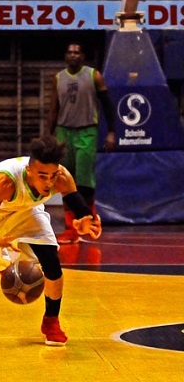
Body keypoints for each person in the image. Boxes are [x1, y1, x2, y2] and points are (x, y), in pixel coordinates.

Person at [0, 136, 102, 346]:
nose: (49, 183)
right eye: (43, 176)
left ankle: (51, 322)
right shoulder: (6, 182)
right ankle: (2, 266)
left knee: (52, 264)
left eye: (52, 176)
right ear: (29, 172)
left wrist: (84, 221)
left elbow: (79, 206)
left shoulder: (62, 177)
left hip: (26, 210)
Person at [46, 42, 116, 244]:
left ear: (83, 56)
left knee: (84, 183)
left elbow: (108, 106)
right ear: (65, 56)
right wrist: (48, 135)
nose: (73, 55)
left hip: (86, 131)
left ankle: (91, 222)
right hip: (63, 132)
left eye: (77, 52)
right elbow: (53, 109)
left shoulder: (94, 75)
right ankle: (71, 229)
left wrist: (111, 131)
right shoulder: (58, 78)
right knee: (63, 181)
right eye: (69, 52)